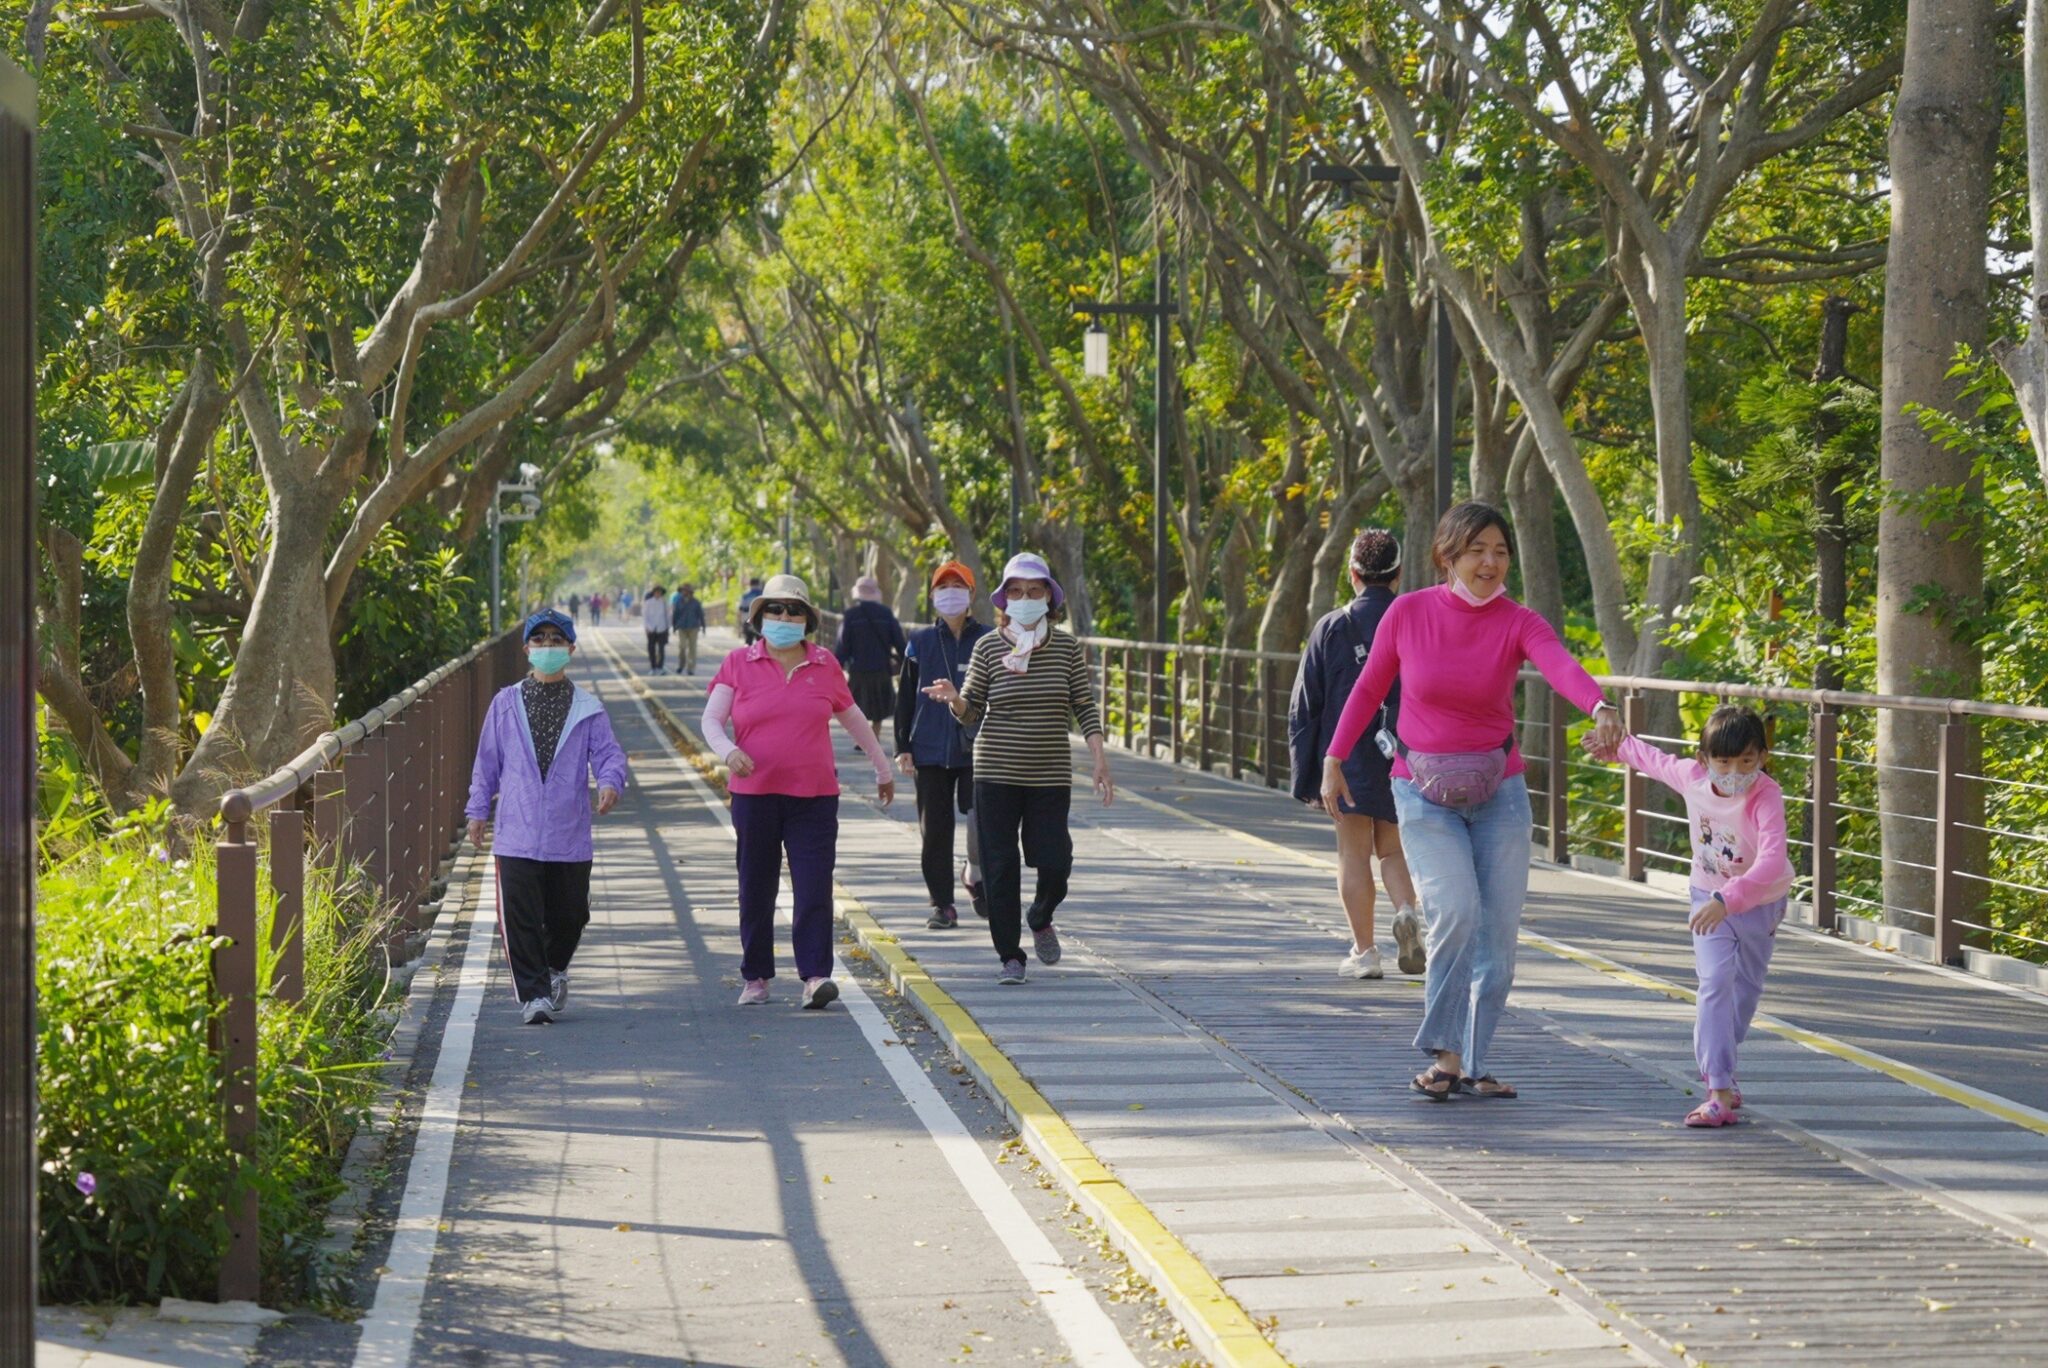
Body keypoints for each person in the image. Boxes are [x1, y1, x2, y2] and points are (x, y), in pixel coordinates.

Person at [1323, 503, 1624, 1101]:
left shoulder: (1518, 621)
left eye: (1500, 551)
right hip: (1422, 792)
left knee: (1500, 943)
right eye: (1477, 550)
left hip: (1499, 794)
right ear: (1448, 556)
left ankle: (1476, 1063)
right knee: (1456, 913)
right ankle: (1445, 1054)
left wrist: (1600, 706)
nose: (1490, 562)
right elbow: (1369, 687)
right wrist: (1334, 758)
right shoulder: (1408, 612)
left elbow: (1560, 665)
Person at [1582, 705, 1791, 1127]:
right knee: (1715, 982)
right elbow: (1653, 760)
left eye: (1747, 761)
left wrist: (1729, 899)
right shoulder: (1692, 777)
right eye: (1724, 762)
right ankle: (1718, 1090)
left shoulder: (1766, 795)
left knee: (1746, 991)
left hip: (1760, 901)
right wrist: (1616, 747)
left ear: (1762, 758)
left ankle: (1724, 1066)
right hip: (1708, 899)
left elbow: (1772, 859)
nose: (1735, 772)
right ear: (1703, 760)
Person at [701, 574, 896, 1009]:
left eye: (794, 611)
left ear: (807, 619)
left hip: (815, 797)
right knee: (756, 887)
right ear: (760, 616)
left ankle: (815, 976)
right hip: (755, 796)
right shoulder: (737, 662)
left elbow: (853, 718)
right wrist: (729, 752)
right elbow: (711, 720)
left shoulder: (825, 664)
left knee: (813, 887)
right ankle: (756, 977)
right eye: (775, 609)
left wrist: (882, 768)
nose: (784, 617)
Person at [923, 553, 1114, 985]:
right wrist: (956, 700)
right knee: (999, 866)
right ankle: (1010, 955)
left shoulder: (1066, 648)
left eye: (1033, 591)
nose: (1024, 598)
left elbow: (1083, 705)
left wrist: (1099, 759)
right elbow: (972, 709)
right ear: (1004, 600)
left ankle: (1041, 914)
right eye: (1016, 592)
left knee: (1056, 862)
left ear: (1049, 597)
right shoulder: (989, 646)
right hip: (995, 771)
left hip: (1049, 773)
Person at [465, 608, 629, 1025]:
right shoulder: (505, 704)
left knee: (571, 915)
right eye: (539, 639)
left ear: (570, 649)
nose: (548, 646)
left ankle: (554, 969)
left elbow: (608, 754)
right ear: (526, 649)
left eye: (557, 640)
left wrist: (610, 783)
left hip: (568, 833)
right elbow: (487, 762)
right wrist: (477, 810)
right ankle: (534, 996)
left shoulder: (587, 708)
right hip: (516, 832)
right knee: (520, 918)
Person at [1290, 529, 1421, 980]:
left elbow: (1305, 705)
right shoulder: (1414, 621)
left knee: (1353, 853)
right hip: (1405, 751)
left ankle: (1365, 953)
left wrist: (1309, 774)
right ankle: (1406, 912)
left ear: (1353, 574)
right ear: (1398, 575)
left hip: (1344, 759)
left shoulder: (1331, 627)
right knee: (1393, 850)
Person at [895, 560, 993, 929]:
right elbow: (905, 697)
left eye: (958, 586)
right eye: (943, 586)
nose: (950, 593)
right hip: (929, 749)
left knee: (982, 823)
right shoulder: (919, 641)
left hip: (979, 748)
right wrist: (902, 746)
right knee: (935, 831)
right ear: (933, 595)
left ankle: (976, 874)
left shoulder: (989, 639)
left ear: (971, 594)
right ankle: (942, 904)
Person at [836, 575, 906, 737]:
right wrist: (907, 661)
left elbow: (843, 645)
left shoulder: (851, 615)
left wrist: (837, 667)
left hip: (858, 669)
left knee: (856, 706)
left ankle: (860, 738)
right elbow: (899, 641)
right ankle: (874, 735)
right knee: (878, 708)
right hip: (881, 668)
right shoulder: (886, 614)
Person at [671, 581, 706, 675]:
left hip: (693, 627)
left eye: (686, 591)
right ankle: (681, 665)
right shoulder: (678, 602)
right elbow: (675, 615)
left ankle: (691, 668)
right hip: (682, 627)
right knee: (682, 647)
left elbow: (701, 615)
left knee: (692, 648)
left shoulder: (696, 602)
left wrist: (703, 626)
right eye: (683, 590)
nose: (684, 592)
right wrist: (674, 626)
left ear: (690, 592)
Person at [642, 585, 671, 673]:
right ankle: (653, 667)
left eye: (659, 592)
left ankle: (660, 667)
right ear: (654, 593)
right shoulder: (648, 603)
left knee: (661, 649)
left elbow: (668, 615)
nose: (658, 593)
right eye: (656, 592)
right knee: (651, 649)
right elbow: (645, 616)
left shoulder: (664, 603)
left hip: (662, 628)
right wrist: (646, 627)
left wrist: (668, 627)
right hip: (651, 628)